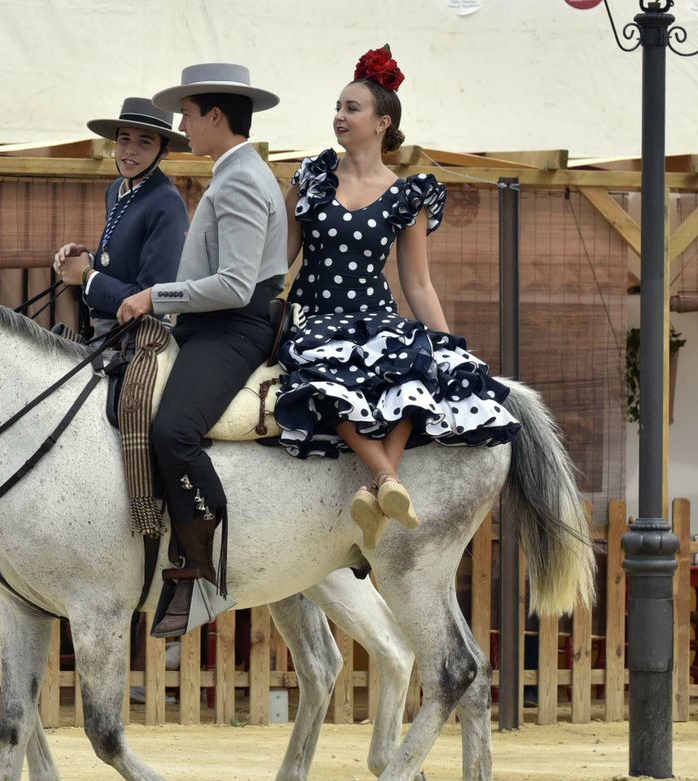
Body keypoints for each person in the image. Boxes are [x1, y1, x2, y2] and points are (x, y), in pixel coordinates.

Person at [274, 46, 519, 550]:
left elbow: (418, 284)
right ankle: (388, 479)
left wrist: (448, 344)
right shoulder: (313, 177)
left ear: (383, 122)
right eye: (338, 108)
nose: (339, 117)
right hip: (316, 316)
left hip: (376, 317)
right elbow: (282, 261)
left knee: (422, 364)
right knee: (324, 373)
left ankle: (376, 486)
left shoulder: (410, 194)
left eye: (351, 108)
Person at [115, 63, 288, 638]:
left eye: (188, 114)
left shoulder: (239, 178)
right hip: (210, 326)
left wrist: (151, 296)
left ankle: (203, 564)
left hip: (232, 328)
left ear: (216, 115)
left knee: (174, 432)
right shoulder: (234, 171)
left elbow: (237, 285)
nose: (183, 125)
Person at [52, 97, 190, 340]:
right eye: (124, 139)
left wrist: (86, 275)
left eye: (144, 142)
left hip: (139, 337)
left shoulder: (167, 202)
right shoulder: (116, 188)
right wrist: (85, 259)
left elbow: (152, 298)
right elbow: (121, 264)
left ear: (165, 149)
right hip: (101, 331)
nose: (130, 150)